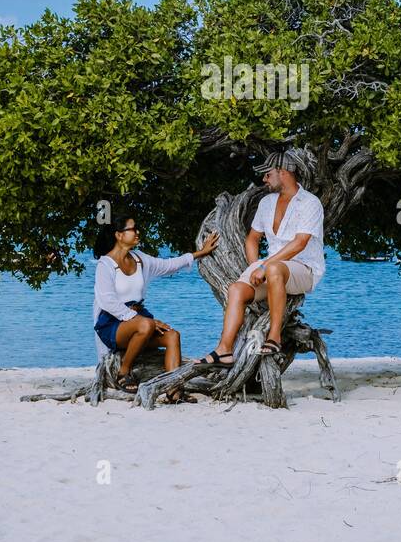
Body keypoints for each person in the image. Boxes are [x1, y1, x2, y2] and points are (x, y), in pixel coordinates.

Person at [198, 149, 325, 368]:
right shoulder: (267, 203)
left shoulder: (310, 203)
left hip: (304, 269)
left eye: (268, 174)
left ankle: (274, 337)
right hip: (272, 270)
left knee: (275, 268)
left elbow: (300, 243)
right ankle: (224, 350)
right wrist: (255, 267)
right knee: (236, 290)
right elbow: (252, 239)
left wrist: (265, 266)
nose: (264, 179)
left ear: (283, 172)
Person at [93, 211, 219, 400]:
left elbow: (169, 264)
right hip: (112, 324)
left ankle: (173, 390)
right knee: (147, 324)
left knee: (172, 336)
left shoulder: (139, 259)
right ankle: (123, 372)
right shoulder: (105, 265)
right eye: (132, 229)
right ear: (119, 235)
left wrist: (200, 253)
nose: (137, 232)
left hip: (138, 320)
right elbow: (107, 301)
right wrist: (141, 320)